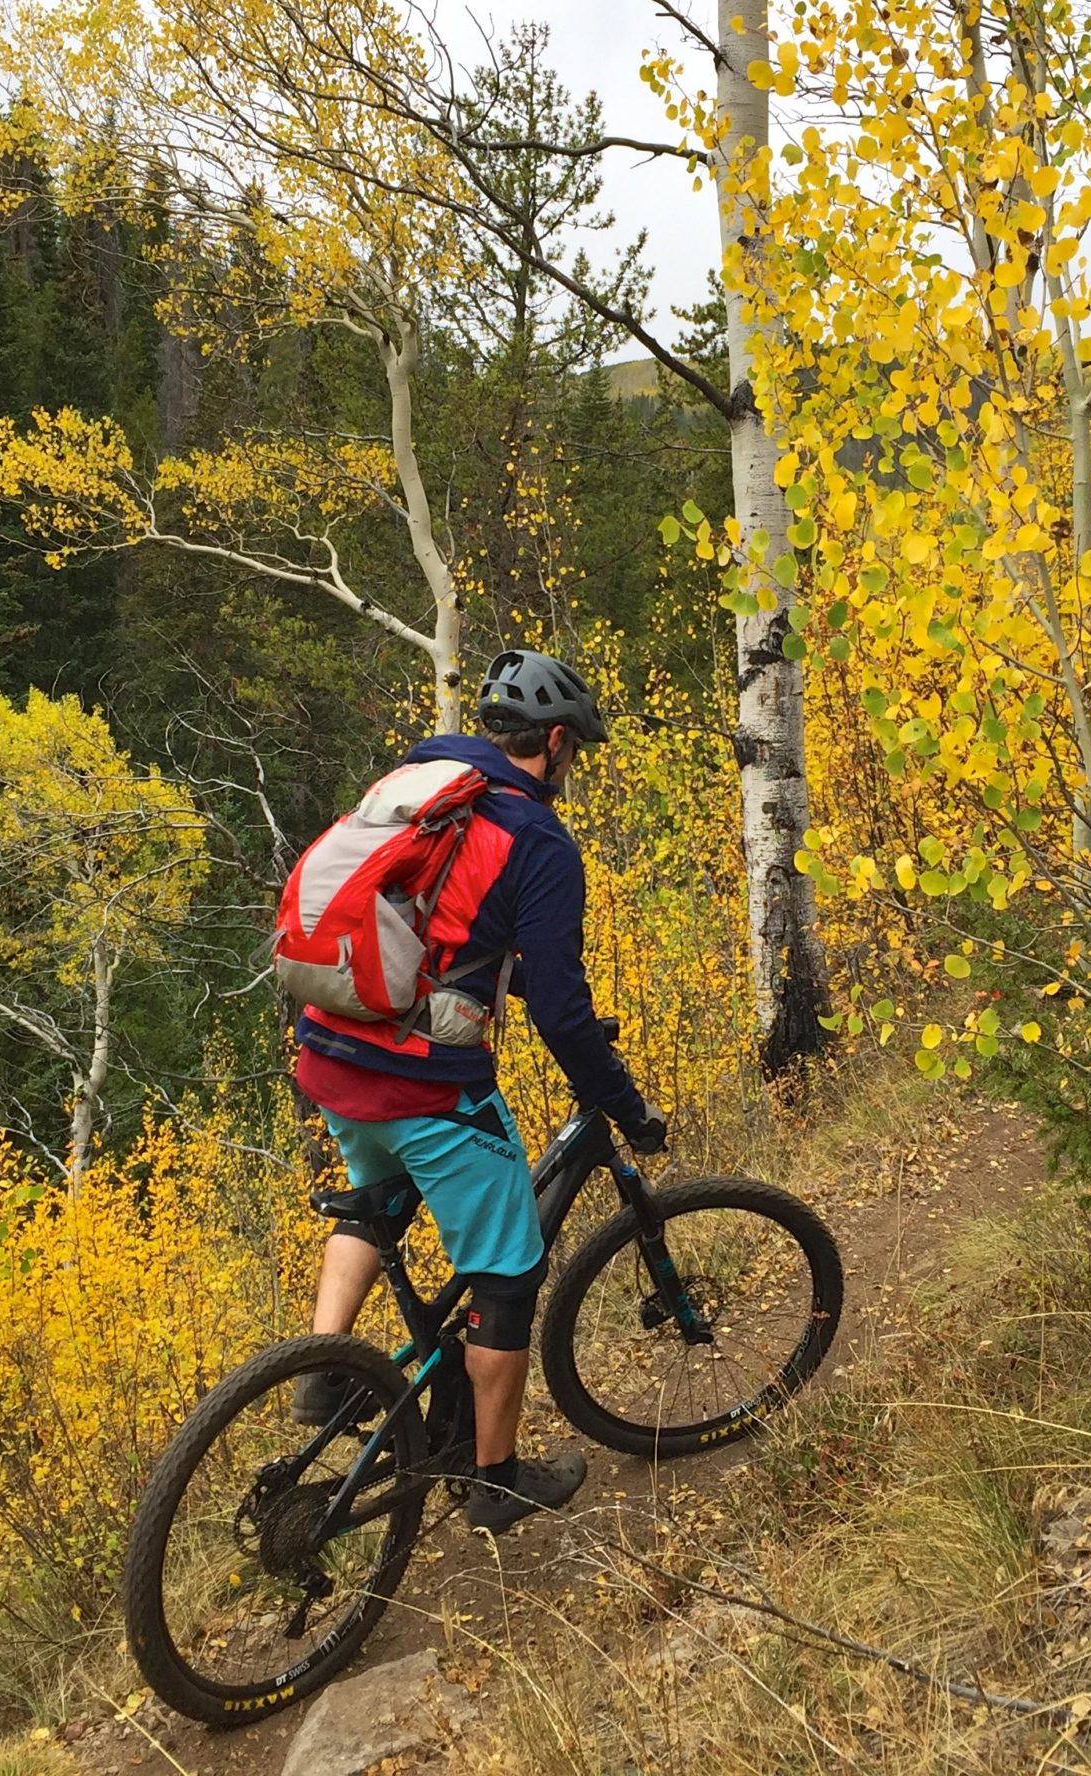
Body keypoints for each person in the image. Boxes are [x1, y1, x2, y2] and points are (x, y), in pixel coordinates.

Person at [293, 649, 668, 1535]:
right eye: (574, 748)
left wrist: (531, 984)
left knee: (378, 1199)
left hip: (330, 1051)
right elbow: (565, 1015)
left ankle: (322, 1367)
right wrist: (621, 1100)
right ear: (555, 742)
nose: (572, 763)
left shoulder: (424, 781)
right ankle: (495, 1482)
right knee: (509, 1275)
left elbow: (444, 935)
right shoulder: (537, 837)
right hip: (425, 1081)